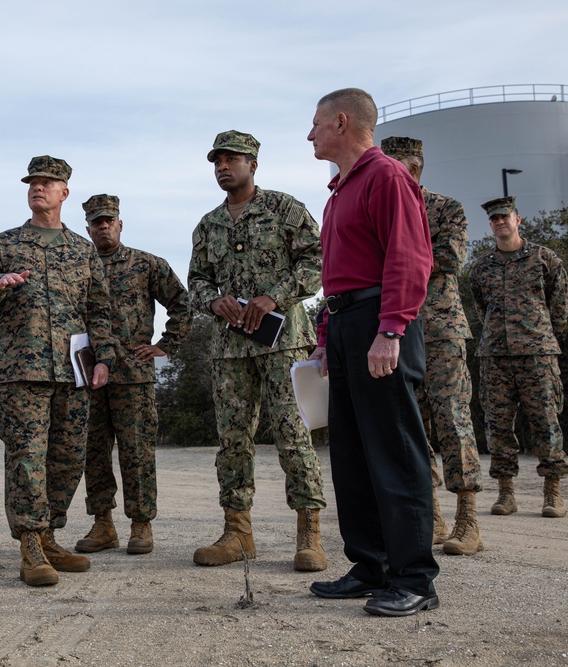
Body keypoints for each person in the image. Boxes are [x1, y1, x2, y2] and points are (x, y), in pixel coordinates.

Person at [306, 88, 439, 616]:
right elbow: (337, 278)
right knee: (353, 455)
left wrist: (391, 330)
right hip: (344, 324)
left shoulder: (386, 176)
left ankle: (414, 578)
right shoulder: (339, 191)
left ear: (341, 122)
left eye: (315, 123)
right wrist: (323, 336)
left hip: (379, 323)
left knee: (394, 451)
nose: (309, 134)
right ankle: (370, 565)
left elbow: (409, 257)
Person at [0, 156, 114, 587]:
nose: (38, 188)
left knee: (67, 459)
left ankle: (49, 535)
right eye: (33, 182)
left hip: (72, 371)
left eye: (48, 183)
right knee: (27, 458)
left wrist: (105, 358)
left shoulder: (82, 250)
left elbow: (99, 309)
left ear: (64, 192)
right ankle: (30, 542)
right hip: (22, 369)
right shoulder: (5, 243)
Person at [187, 131, 327, 572]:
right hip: (230, 349)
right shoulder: (208, 224)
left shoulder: (285, 209)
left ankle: (309, 532)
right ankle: (237, 532)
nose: (223, 167)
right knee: (232, 440)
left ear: (253, 164)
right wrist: (213, 301)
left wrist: (274, 296)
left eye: (232, 159)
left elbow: (318, 261)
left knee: (292, 435)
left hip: (283, 341)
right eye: (217, 161)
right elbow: (196, 280)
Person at [380, 136, 483, 556]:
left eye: (397, 165)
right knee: (411, 425)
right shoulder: (380, 210)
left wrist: (395, 256)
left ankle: (468, 519)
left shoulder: (445, 208)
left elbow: (449, 257)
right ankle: (433, 515)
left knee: (453, 420)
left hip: (439, 328)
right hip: (393, 331)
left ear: (415, 169)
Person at [74, 194, 191, 556]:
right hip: (89, 375)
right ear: (88, 228)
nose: (103, 226)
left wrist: (165, 345)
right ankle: (102, 524)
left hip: (133, 375)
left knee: (136, 453)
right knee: (93, 453)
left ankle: (141, 524)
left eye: (109, 220)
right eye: (96, 222)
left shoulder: (146, 264)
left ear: (120, 224)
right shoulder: (77, 266)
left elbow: (182, 302)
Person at [469, 196, 568, 518]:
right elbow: (481, 308)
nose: (500, 222)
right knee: (497, 425)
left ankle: (552, 494)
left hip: (537, 355)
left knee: (545, 421)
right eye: (494, 219)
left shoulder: (545, 259)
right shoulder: (481, 268)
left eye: (504, 216)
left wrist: (541, 334)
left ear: (518, 220)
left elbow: (560, 304)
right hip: (495, 356)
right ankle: (505, 494)